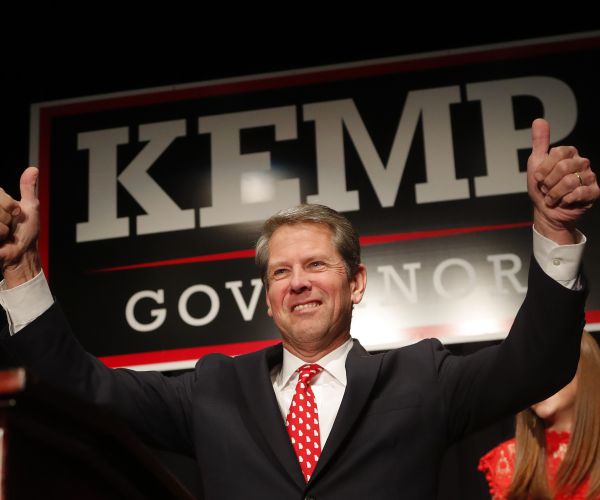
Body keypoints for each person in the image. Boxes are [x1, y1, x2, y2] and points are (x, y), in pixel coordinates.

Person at [0, 119, 598, 499]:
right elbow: (79, 387)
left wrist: (553, 228)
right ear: (267, 295)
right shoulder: (213, 390)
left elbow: (538, 362)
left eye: (316, 265)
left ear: (356, 282)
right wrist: (18, 268)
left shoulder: (423, 377)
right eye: (280, 272)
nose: (298, 283)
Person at [478, 330, 600, 500]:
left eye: (549, 367)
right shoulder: (509, 460)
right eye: (528, 375)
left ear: (583, 368)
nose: (537, 383)